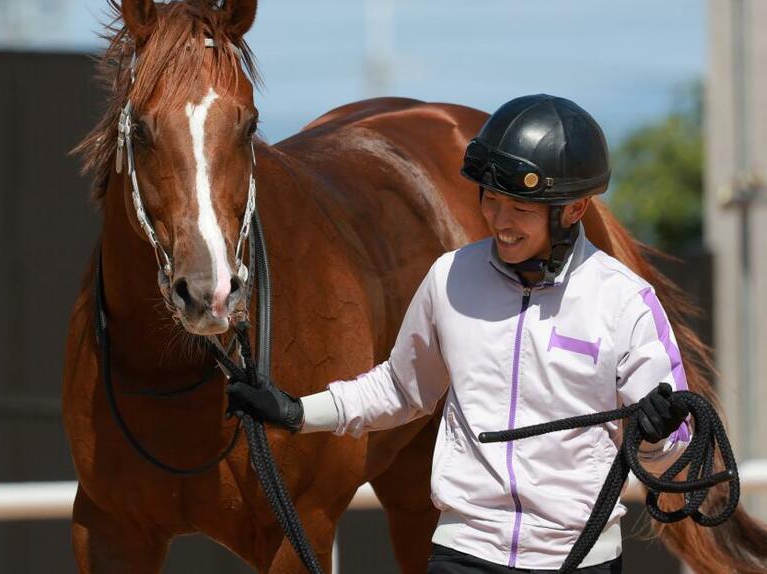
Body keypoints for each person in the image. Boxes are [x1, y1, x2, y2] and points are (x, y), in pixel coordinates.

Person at [227, 94, 692, 573]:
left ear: (574, 209)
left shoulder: (627, 303)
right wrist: (297, 410)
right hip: (464, 555)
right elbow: (400, 388)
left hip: (582, 559)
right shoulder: (450, 278)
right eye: (491, 199)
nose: (500, 221)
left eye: (520, 208)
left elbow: (674, 458)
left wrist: (657, 439)